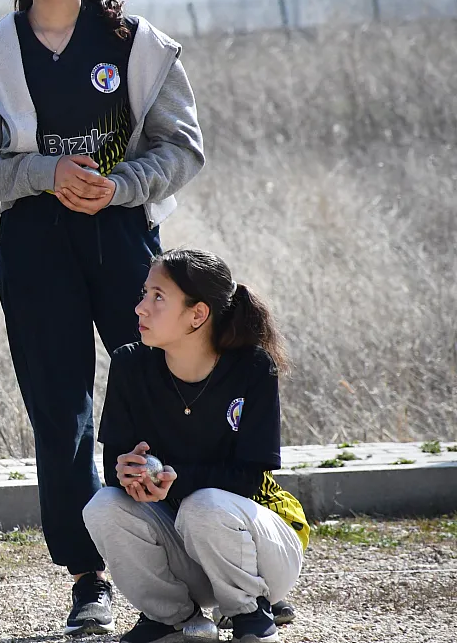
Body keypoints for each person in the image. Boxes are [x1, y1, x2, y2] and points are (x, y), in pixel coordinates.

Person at [0, 0, 205, 635]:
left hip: (124, 238)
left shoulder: (138, 46)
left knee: (153, 398)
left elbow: (184, 147)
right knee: (60, 412)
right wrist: (43, 173)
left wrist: (119, 185)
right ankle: (88, 576)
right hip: (35, 246)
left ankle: (188, 558)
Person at [84, 249, 307, 643]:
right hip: (186, 557)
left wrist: (176, 480)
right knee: (103, 506)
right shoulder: (129, 365)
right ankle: (171, 617)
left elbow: (249, 478)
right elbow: (116, 468)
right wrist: (128, 472)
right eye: (144, 293)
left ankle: (249, 611)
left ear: (198, 314)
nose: (140, 307)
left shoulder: (253, 367)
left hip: (260, 555)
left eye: (158, 297)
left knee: (202, 505)